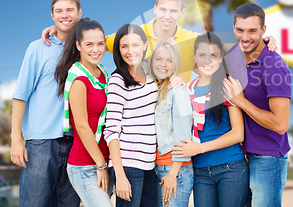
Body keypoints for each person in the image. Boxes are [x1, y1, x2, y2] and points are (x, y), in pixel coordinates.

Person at [42, 0, 278, 82]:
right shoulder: (132, 35)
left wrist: (262, 44)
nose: (167, 15)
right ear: (155, 9)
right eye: (163, 9)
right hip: (140, 123)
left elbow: (226, 48)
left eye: (173, 11)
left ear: (182, 12)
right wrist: (62, 30)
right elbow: (90, 41)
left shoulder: (190, 40)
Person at [11, 0, 82, 207]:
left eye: (70, 10)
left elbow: (109, 39)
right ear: (52, 15)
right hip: (41, 144)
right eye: (59, 11)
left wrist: (69, 32)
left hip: (75, 144)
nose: (64, 15)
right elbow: (21, 96)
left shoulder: (85, 48)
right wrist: (16, 139)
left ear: (79, 13)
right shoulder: (37, 48)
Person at [223, 3, 292, 207]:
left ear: (263, 30)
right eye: (240, 30)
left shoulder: (275, 66)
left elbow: (280, 124)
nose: (245, 37)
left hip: (267, 158)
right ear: (233, 28)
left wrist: (241, 101)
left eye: (253, 31)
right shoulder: (231, 58)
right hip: (237, 156)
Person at [172, 32, 248, 207]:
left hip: (231, 168)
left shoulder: (228, 86)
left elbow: (238, 134)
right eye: (202, 55)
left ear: (221, 58)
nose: (208, 61)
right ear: (195, 58)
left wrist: (199, 148)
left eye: (214, 55)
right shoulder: (186, 89)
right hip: (200, 172)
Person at [54, 18, 112, 207]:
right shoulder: (79, 79)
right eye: (89, 44)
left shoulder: (102, 72)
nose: (96, 50)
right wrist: (101, 165)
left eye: (100, 44)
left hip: (105, 162)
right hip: (86, 166)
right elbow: (81, 126)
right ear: (78, 45)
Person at [103, 24, 158, 207]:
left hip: (151, 163)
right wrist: (119, 174)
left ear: (144, 45)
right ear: (118, 49)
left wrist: (178, 79)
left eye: (135, 45)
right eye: (123, 46)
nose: (129, 51)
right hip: (128, 163)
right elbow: (111, 130)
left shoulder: (152, 72)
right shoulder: (118, 81)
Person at [147, 40, 193, 207]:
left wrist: (173, 173)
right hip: (158, 167)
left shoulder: (178, 91)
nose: (163, 64)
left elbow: (184, 138)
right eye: (158, 59)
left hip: (175, 170)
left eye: (170, 60)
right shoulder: (156, 89)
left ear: (176, 64)